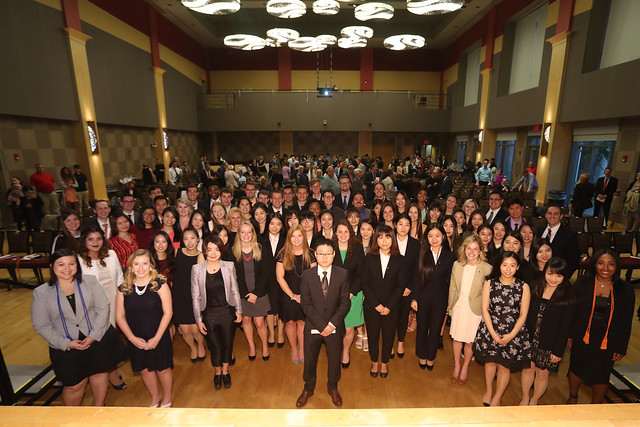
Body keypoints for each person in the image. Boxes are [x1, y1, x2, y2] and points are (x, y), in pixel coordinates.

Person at [31, 249, 123, 406]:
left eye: (71, 264)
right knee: (74, 385)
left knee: (99, 374)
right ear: (52, 266)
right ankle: (72, 417)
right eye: (61, 264)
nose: (67, 268)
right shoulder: (42, 292)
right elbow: (41, 325)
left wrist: (94, 335)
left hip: (96, 337)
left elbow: (103, 308)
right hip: (65, 345)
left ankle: (98, 408)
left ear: (77, 265)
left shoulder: (90, 281)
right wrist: (66, 343)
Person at [567, 249, 635, 404]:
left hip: (608, 340)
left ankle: (596, 406)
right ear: (595, 265)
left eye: (611, 264)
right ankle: (573, 397)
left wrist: (621, 347)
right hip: (582, 335)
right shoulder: (582, 283)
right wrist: (570, 335)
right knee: (576, 367)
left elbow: (626, 321)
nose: (606, 268)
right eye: (601, 263)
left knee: (602, 373)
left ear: (617, 266)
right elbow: (572, 312)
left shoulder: (626, 290)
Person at [295, 238, 350, 408]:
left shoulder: (342, 274)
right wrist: (321, 326)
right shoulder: (307, 275)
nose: (324, 257)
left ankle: (333, 387)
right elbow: (306, 303)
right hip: (313, 325)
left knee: (334, 359)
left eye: (328, 254)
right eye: (320, 254)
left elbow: (345, 303)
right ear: (315, 255)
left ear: (334, 255)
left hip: (334, 326)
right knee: (310, 359)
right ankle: (308, 388)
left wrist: (332, 324)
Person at [116, 250, 173, 408]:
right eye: (136, 264)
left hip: (159, 335)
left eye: (145, 263)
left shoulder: (160, 284)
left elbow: (168, 313)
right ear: (131, 267)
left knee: (162, 369)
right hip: (136, 337)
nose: (141, 268)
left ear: (151, 266)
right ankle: (155, 396)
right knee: (145, 370)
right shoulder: (124, 289)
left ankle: (167, 395)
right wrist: (132, 338)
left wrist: (157, 338)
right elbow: (119, 316)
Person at [473, 251, 531, 407]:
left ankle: (497, 397)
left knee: (504, 366)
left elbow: (523, 315)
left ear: (518, 267)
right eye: (504, 265)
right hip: (491, 328)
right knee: (490, 363)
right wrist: (492, 332)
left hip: (513, 331)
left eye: (512, 265)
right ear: (499, 265)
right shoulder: (490, 283)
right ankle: (489, 391)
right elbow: (484, 309)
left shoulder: (523, 286)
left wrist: (511, 335)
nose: (508, 269)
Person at [77, 226, 127, 390]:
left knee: (109, 340)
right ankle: (108, 374)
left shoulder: (111, 255)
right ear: (84, 241)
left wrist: (123, 300)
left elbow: (119, 277)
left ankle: (110, 371)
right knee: (99, 341)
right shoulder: (78, 260)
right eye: (91, 239)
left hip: (113, 302)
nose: (95, 242)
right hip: (93, 308)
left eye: (99, 239)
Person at [520, 257, 574, 406]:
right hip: (529, 339)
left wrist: (558, 351)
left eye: (559, 275)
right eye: (550, 273)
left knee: (542, 374)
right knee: (527, 370)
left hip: (549, 343)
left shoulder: (568, 296)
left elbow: (565, 327)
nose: (554, 279)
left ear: (564, 276)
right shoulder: (533, 287)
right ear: (545, 271)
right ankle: (525, 398)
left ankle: (534, 400)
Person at [192, 235, 243, 390]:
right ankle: (217, 372)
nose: (213, 253)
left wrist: (239, 311)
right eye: (209, 249)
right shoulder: (197, 269)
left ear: (221, 250)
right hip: (208, 314)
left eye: (216, 249)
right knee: (214, 346)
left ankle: (226, 371)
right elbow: (195, 296)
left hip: (227, 313)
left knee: (228, 344)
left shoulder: (229, 266)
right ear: (205, 251)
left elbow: (235, 290)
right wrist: (198, 320)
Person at [362, 225, 406, 378]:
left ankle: (385, 363)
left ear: (392, 239)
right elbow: (365, 283)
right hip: (371, 305)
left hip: (391, 307)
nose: (384, 241)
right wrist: (376, 305)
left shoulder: (400, 260)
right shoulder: (369, 258)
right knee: (373, 336)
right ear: (376, 240)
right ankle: (374, 362)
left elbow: (401, 285)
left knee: (388, 336)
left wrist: (389, 306)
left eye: (387, 237)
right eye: (380, 237)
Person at [448, 235, 492, 386]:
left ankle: (465, 366)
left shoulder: (487, 268)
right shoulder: (457, 265)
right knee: (457, 339)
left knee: (470, 342)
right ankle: (457, 365)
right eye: (469, 248)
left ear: (480, 250)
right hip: (459, 306)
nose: (471, 252)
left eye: (475, 249)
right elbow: (452, 287)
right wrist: (450, 307)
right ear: (464, 249)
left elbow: (488, 294)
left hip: (475, 310)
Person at [412, 224, 455, 370]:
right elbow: (416, 278)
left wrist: (450, 303)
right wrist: (414, 298)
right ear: (427, 238)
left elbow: (451, 282)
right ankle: (422, 355)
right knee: (422, 328)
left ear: (443, 236)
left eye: (437, 235)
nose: (434, 239)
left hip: (441, 299)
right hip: (423, 298)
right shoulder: (422, 253)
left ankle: (431, 356)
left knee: (435, 329)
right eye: (430, 236)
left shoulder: (450, 256)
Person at [276, 225, 317, 364]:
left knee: (302, 323)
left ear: (304, 237)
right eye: (293, 236)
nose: (296, 239)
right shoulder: (283, 254)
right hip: (287, 294)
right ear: (289, 238)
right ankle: (294, 349)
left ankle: (303, 349)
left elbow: (315, 277)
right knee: (290, 323)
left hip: (307, 295)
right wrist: (293, 295)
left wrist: (304, 296)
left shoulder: (311, 254)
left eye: (299, 235)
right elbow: (280, 278)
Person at [232, 221, 271, 361]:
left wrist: (255, 293)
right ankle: (252, 346)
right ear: (238, 234)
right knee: (246, 320)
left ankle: (265, 346)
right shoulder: (233, 251)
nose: (246, 235)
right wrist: (245, 294)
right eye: (243, 232)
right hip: (241, 293)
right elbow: (234, 277)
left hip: (259, 292)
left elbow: (266, 273)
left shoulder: (260, 248)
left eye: (249, 232)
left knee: (260, 322)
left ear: (253, 234)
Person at [332, 221, 365, 368]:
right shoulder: (330, 248)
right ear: (335, 233)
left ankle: (345, 351)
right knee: (336, 326)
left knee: (349, 327)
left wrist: (351, 292)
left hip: (354, 293)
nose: (343, 235)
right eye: (340, 231)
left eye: (346, 231)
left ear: (351, 233)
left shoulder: (357, 249)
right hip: (333, 294)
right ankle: (335, 350)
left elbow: (360, 274)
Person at [172, 227, 206, 362]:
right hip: (179, 295)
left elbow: (202, 279)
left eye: (192, 238)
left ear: (198, 239)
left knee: (196, 329)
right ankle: (193, 347)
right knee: (185, 330)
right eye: (185, 239)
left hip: (194, 296)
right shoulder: (177, 252)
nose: (189, 242)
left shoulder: (201, 255)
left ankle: (201, 345)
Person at [393, 213, 421, 359]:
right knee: (391, 316)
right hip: (390, 287)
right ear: (395, 225)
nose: (403, 228)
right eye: (400, 224)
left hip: (407, 289)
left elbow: (416, 269)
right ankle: (390, 342)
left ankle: (400, 341)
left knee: (403, 316)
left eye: (407, 225)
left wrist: (409, 287)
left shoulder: (416, 244)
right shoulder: (388, 241)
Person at [261, 212, 286, 348]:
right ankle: (271, 333)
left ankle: (281, 333)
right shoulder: (260, 239)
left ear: (282, 226)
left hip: (282, 278)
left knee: (280, 307)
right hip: (266, 279)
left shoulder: (286, 240)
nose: (275, 227)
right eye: (272, 223)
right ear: (267, 224)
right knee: (269, 308)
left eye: (278, 224)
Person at [537, 204, 579, 277]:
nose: (552, 216)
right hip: (537, 274)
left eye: (556, 214)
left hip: (556, 276)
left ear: (561, 216)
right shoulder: (538, 230)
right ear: (546, 215)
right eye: (550, 213)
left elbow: (574, 260)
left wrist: (563, 277)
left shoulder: (569, 235)